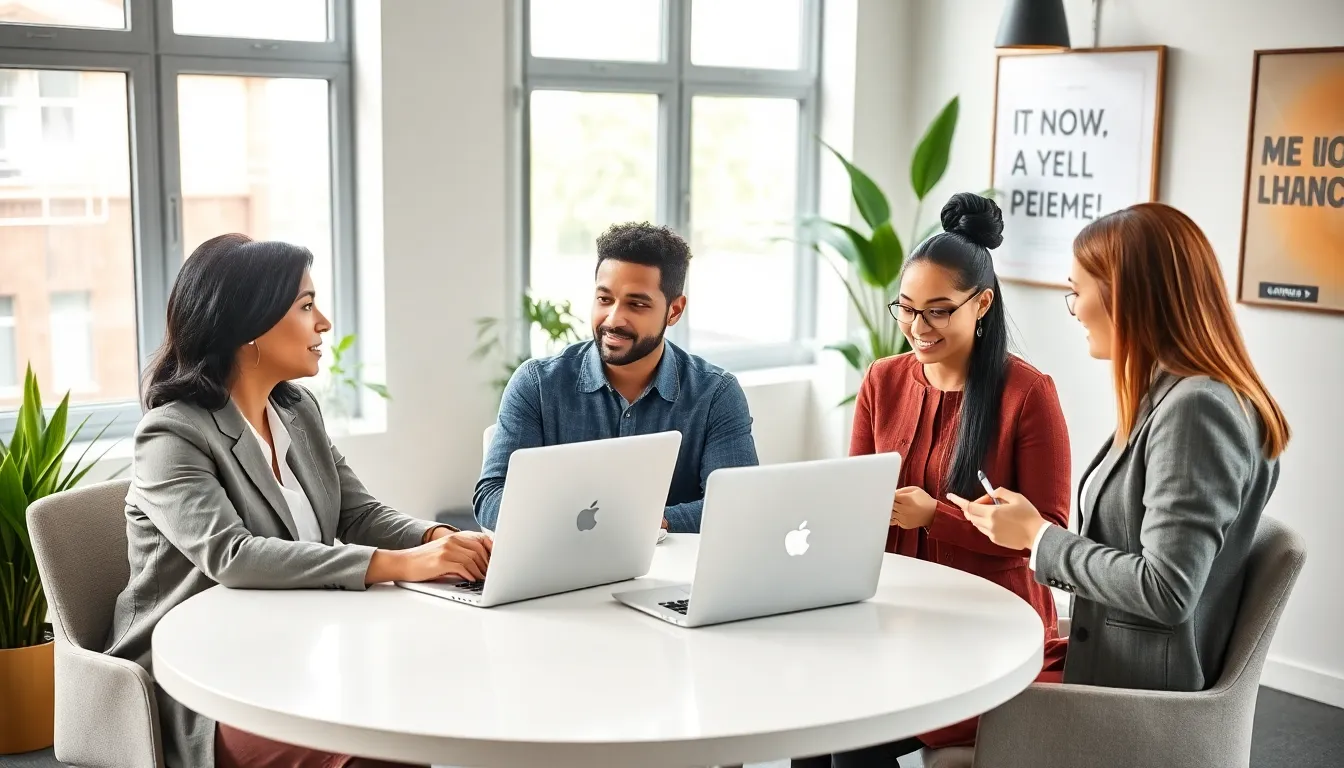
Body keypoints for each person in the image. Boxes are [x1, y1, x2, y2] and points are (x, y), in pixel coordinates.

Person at [104, 234, 493, 768]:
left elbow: (357, 513)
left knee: (437, 713)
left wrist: (438, 539)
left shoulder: (296, 409)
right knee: (375, 753)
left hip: (298, 651)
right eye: (306, 306)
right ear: (249, 328)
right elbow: (234, 556)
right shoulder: (171, 434)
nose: (324, 323)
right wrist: (402, 564)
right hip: (206, 682)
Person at [950, 202, 1289, 694]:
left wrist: (1038, 536)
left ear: (1125, 297)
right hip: (1109, 661)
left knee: (924, 707)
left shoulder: (1195, 411)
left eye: (1076, 292)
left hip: (1134, 695)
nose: (1073, 309)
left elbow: (1167, 590)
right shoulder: (1174, 394)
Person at [793, 193, 1071, 767]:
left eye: (939, 310)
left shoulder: (1028, 394)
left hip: (989, 629)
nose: (917, 328)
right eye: (907, 308)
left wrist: (935, 517)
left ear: (983, 303)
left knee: (849, 741)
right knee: (809, 724)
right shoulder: (882, 380)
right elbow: (855, 497)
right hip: (894, 618)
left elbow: (1048, 536)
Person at [474, 222, 758, 533]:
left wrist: (648, 523)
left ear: (674, 310)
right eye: (604, 299)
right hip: (564, 571)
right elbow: (491, 497)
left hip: (676, 577)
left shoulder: (715, 393)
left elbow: (736, 504)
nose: (613, 319)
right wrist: (574, 524)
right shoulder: (538, 384)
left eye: (636, 304)